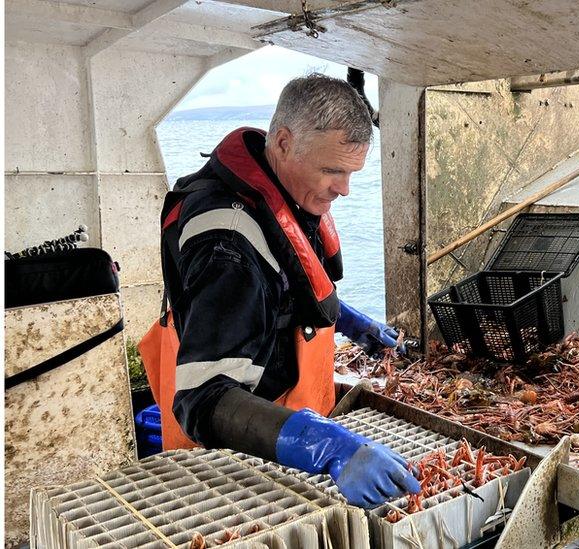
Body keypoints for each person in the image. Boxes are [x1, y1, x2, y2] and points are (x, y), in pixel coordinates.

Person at [139, 74, 420, 508]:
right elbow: (203, 398)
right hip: (233, 445)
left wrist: (347, 319)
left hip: (288, 417)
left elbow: (282, 279)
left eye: (351, 172)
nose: (344, 189)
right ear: (285, 142)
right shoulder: (226, 243)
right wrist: (330, 447)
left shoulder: (283, 188)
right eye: (332, 170)